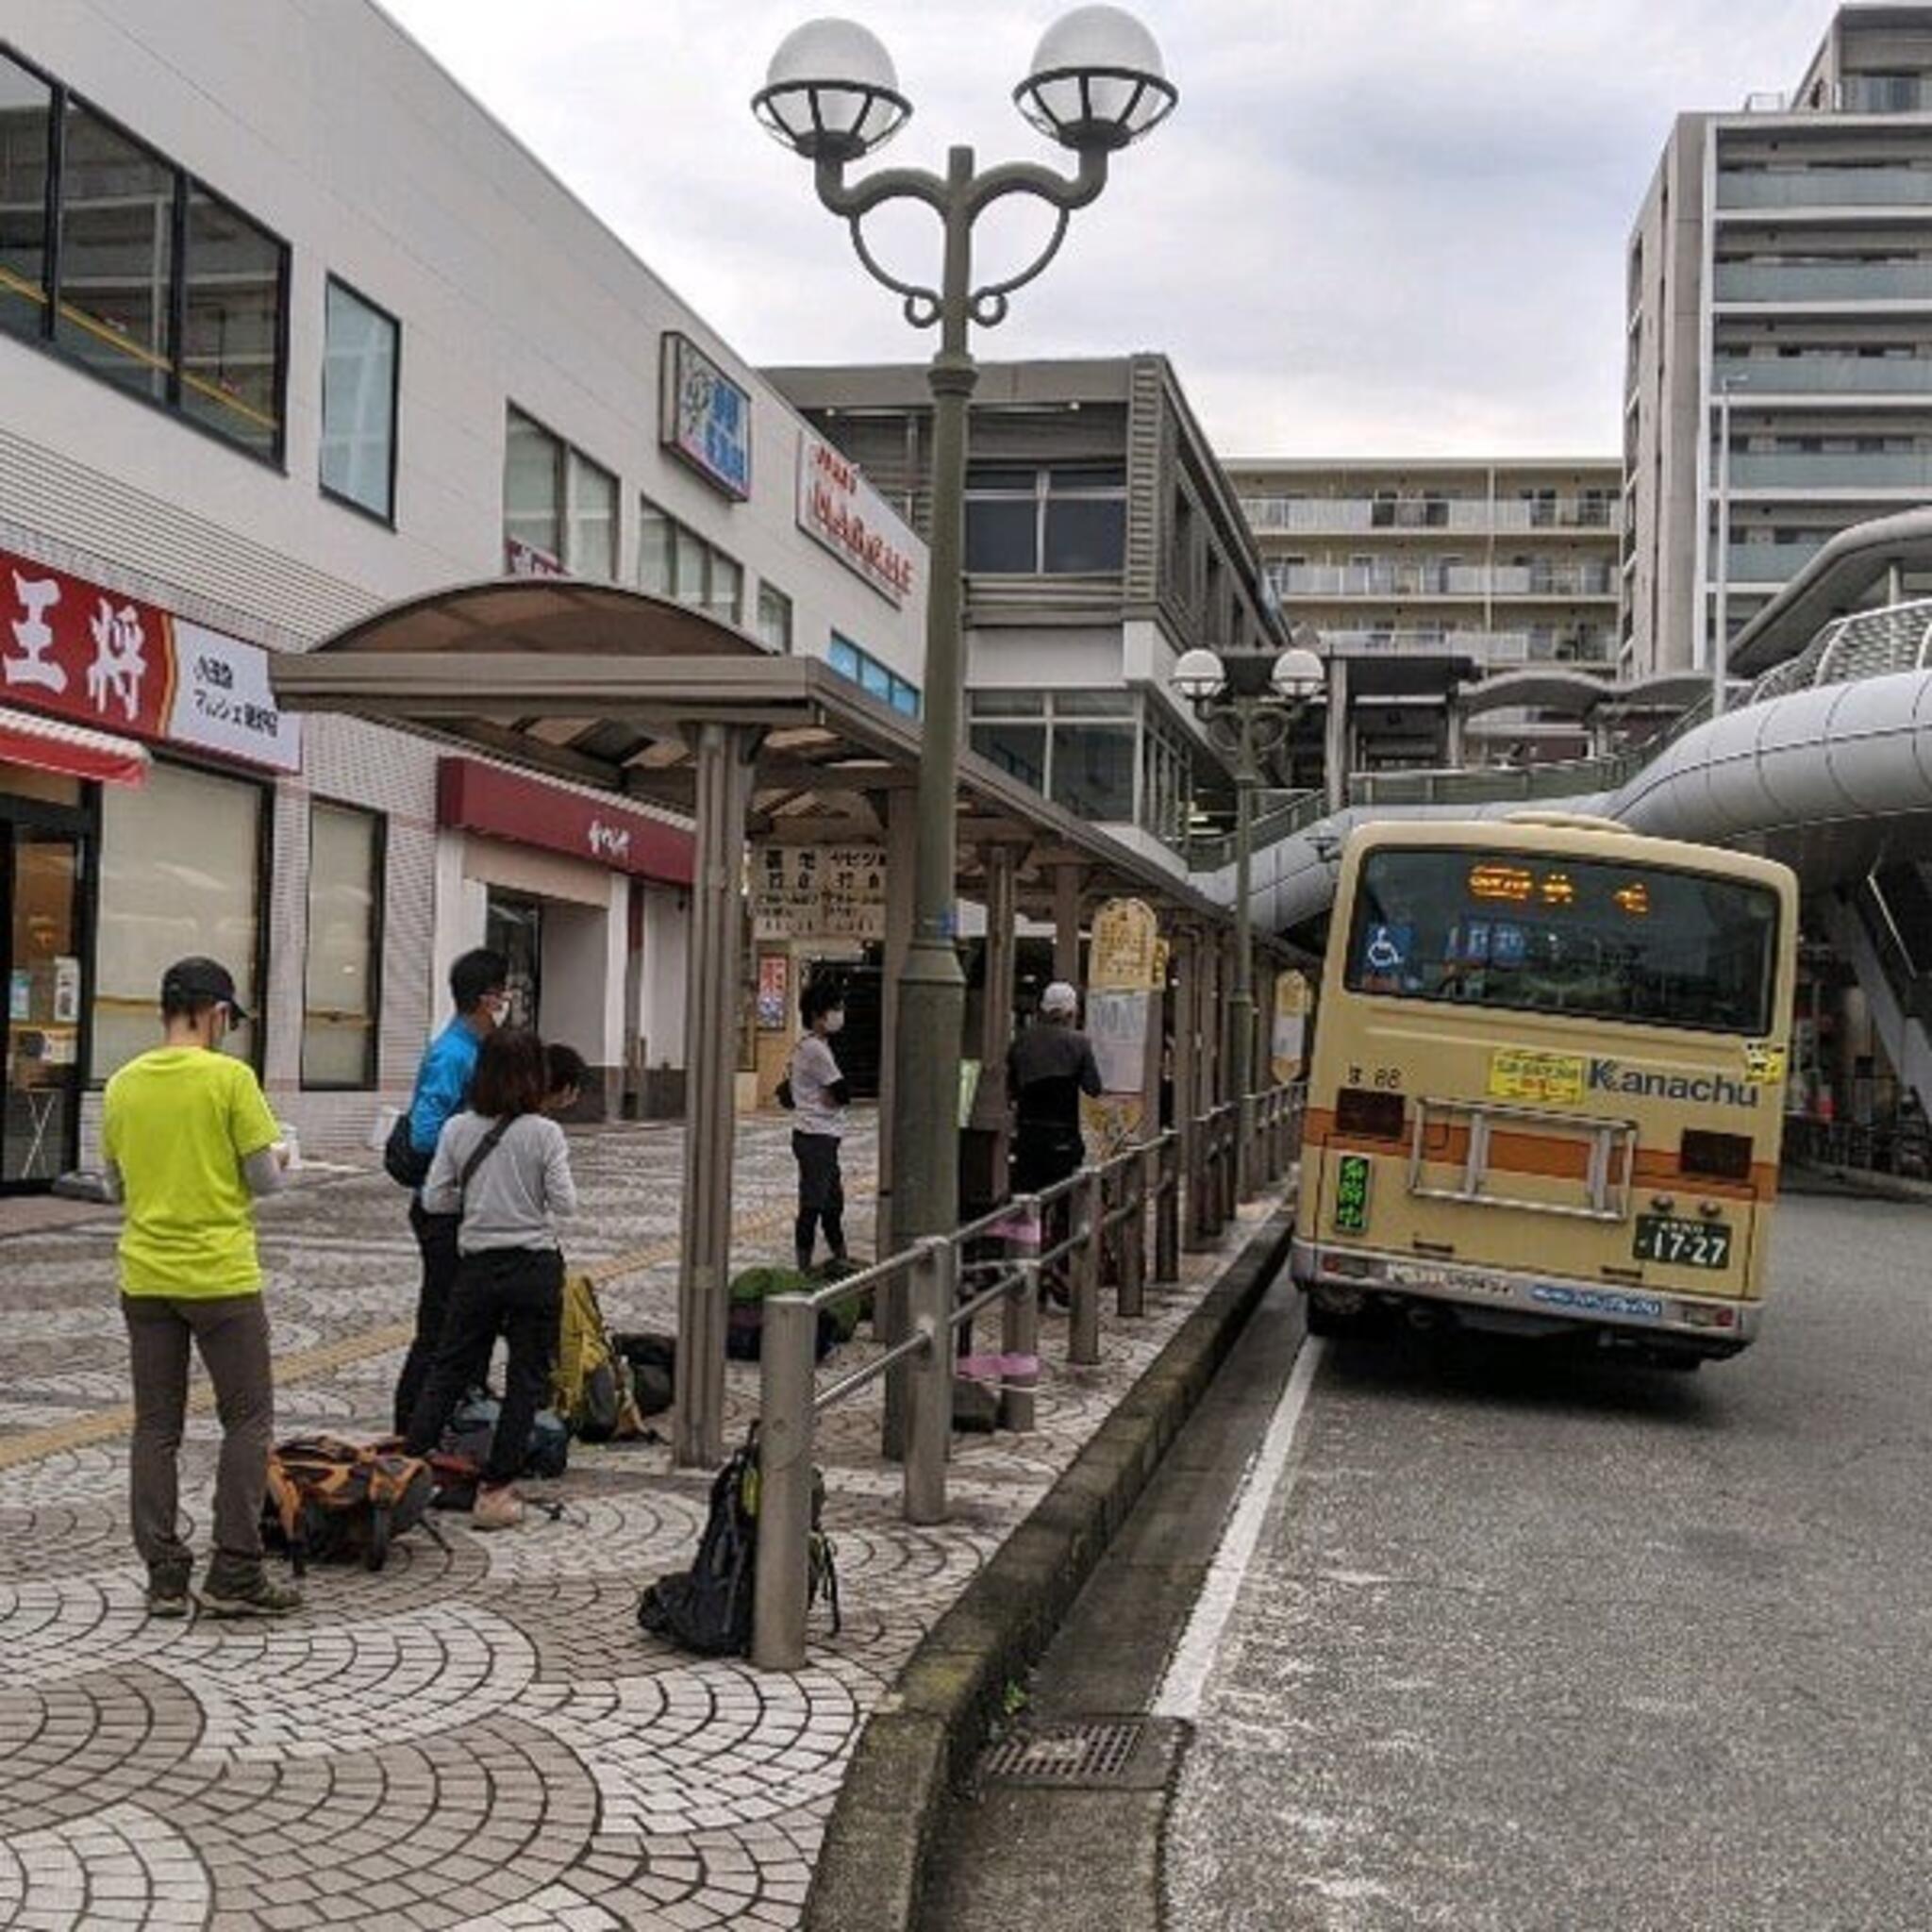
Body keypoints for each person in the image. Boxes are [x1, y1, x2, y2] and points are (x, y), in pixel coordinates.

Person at [102, 957, 298, 1618]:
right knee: (246, 1419)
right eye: (229, 1020)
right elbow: (265, 1181)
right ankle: (236, 1571)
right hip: (220, 1277)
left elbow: (113, 1187)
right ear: (217, 1014)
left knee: (156, 1426)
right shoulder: (230, 1079)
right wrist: (281, 1157)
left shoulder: (124, 1084)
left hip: (145, 1276)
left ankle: (163, 1574)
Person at [403, 1027, 576, 1530]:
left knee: (448, 1367)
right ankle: (495, 1492)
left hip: (477, 1265)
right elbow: (566, 1203)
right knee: (525, 1380)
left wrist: (477, 1202)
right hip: (534, 1265)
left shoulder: (458, 1129)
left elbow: (435, 1199)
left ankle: (409, 1467)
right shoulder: (545, 1133)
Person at [392, 947, 508, 1432]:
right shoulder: (453, 1054)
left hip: (470, 1207)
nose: (507, 1001)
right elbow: (424, 1132)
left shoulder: (478, 1050)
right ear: (485, 999)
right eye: (503, 992)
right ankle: (413, 1420)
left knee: (474, 1317)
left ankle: (463, 1407)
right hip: (442, 1210)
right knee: (441, 1323)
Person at [1008, 980, 1105, 1196]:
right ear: (1072, 1012)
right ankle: (1062, 1227)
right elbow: (1093, 1088)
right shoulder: (1079, 1043)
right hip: (1063, 1135)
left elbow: (1012, 1088)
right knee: (1063, 1195)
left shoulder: (1021, 1042)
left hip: (1028, 1134)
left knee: (1027, 1197)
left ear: (1042, 1009)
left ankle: (1033, 1230)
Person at [787, 981, 851, 1275]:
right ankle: (804, 1268)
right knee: (815, 1204)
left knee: (831, 1204)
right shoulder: (815, 1049)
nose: (840, 1014)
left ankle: (841, 1259)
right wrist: (834, 1096)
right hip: (816, 1135)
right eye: (834, 1009)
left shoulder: (811, 1045)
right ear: (817, 1014)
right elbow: (842, 1092)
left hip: (820, 1134)